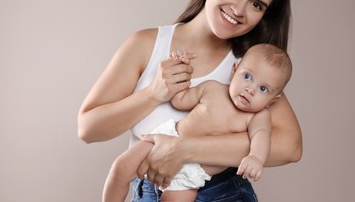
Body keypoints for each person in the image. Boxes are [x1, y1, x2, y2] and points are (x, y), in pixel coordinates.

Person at [78, 0, 302, 201]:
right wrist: (153, 94)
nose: (239, 10)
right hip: (151, 189)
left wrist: (184, 149)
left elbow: (290, 147)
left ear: (264, 15)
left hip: (220, 193)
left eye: (256, 5)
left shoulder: (251, 68)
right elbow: (88, 128)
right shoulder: (147, 44)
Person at [102, 44, 293, 202]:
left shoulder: (257, 116)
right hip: (167, 138)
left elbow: (261, 136)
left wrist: (256, 158)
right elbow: (179, 100)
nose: (250, 89)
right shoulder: (212, 89)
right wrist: (181, 69)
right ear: (234, 71)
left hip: (193, 172)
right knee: (121, 167)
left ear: (273, 100)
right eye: (247, 76)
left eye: (262, 88)